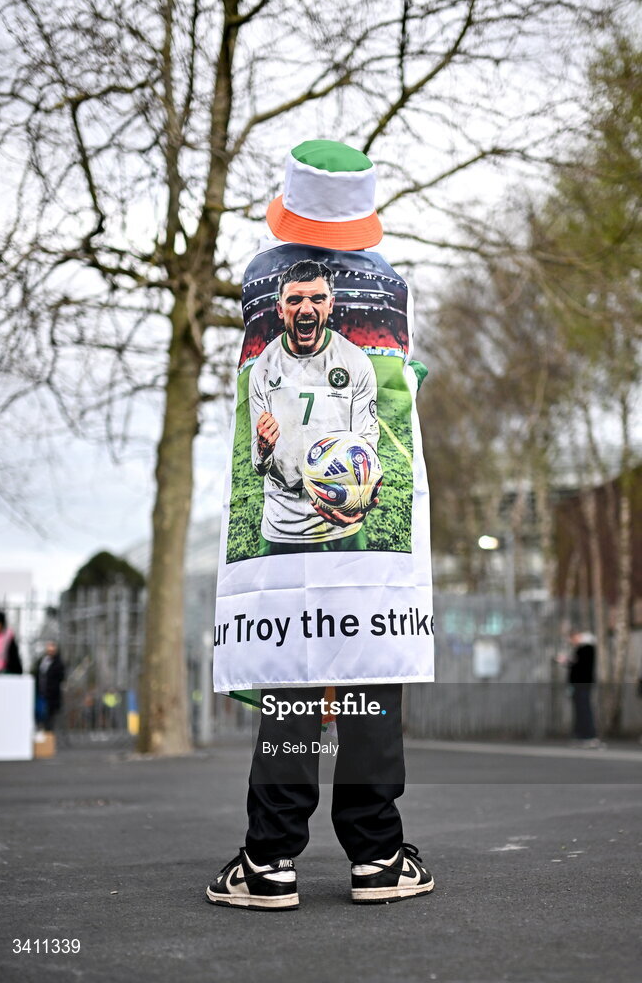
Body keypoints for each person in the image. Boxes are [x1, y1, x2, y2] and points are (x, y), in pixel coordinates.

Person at [208, 139, 434, 910]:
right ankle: (377, 856)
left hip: (280, 536)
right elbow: (392, 401)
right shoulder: (390, 286)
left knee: (294, 684)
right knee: (370, 678)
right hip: (364, 535)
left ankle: (269, 860)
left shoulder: (259, 279)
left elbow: (256, 406)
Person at [250, 258, 380, 550]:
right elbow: (258, 465)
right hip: (281, 524)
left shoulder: (355, 361)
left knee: (351, 597)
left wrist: (362, 498)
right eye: (295, 300)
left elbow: (367, 447)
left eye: (317, 299)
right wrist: (263, 448)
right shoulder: (264, 367)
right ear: (280, 308)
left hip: (341, 520)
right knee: (276, 597)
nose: (306, 309)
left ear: (330, 304)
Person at [558, 629, 599, 746]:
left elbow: (579, 667)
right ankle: (581, 734)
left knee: (584, 709)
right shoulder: (583, 649)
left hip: (583, 684)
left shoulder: (586, 649)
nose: (572, 642)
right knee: (580, 710)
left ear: (577, 636)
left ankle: (589, 735)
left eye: (572, 639)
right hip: (579, 684)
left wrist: (567, 661)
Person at [32, 641, 66, 731]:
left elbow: (61, 677)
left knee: (50, 719)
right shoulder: (42, 661)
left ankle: (48, 739)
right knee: (39, 716)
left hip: (52, 696)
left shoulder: (58, 663)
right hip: (41, 694)